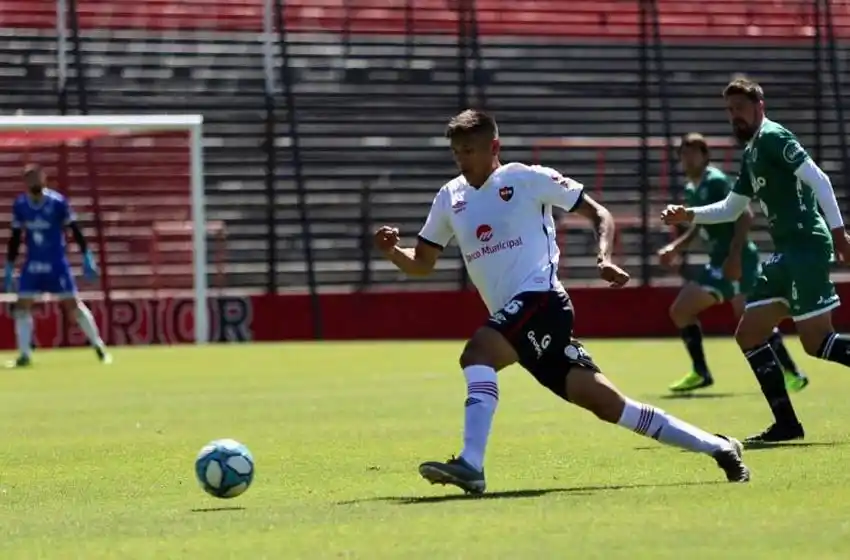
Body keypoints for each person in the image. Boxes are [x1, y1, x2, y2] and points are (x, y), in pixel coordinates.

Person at [374, 109, 750, 494]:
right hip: (519, 321)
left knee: (477, 354)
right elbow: (423, 263)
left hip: (542, 301)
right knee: (610, 405)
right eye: (456, 152)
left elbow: (599, 213)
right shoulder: (450, 196)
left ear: (494, 147)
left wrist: (603, 257)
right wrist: (393, 252)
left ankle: (471, 463)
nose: (461, 160)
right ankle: (719, 447)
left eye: (469, 151)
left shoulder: (526, 178)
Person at [662, 77, 850, 444]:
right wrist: (690, 214)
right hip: (784, 254)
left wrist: (840, 234)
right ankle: (787, 425)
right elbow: (732, 208)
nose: (735, 116)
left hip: (805, 247)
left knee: (817, 343)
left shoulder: (775, 137)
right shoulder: (751, 153)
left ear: (759, 106)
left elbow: (819, 179)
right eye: (730, 110)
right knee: (749, 334)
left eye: (741, 108)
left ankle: (787, 424)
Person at [659, 132, 808, 393]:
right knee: (682, 311)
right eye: (684, 153)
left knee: (750, 319)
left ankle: (792, 372)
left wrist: (735, 255)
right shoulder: (692, 188)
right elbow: (699, 223)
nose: (688, 158)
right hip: (719, 261)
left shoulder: (715, 181)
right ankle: (701, 372)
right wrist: (675, 247)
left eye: (694, 153)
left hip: (737, 260)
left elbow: (745, 214)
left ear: (705, 156)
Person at [4, 164, 112, 367]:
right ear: (25, 182)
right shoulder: (21, 205)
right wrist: (9, 265)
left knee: (73, 305)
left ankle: (99, 347)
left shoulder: (57, 202)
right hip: (33, 264)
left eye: (37, 177)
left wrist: (87, 255)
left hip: (56, 264)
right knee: (22, 306)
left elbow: (74, 229)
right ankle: (24, 355)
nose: (34, 182)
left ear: (44, 179)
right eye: (30, 179)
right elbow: (16, 237)